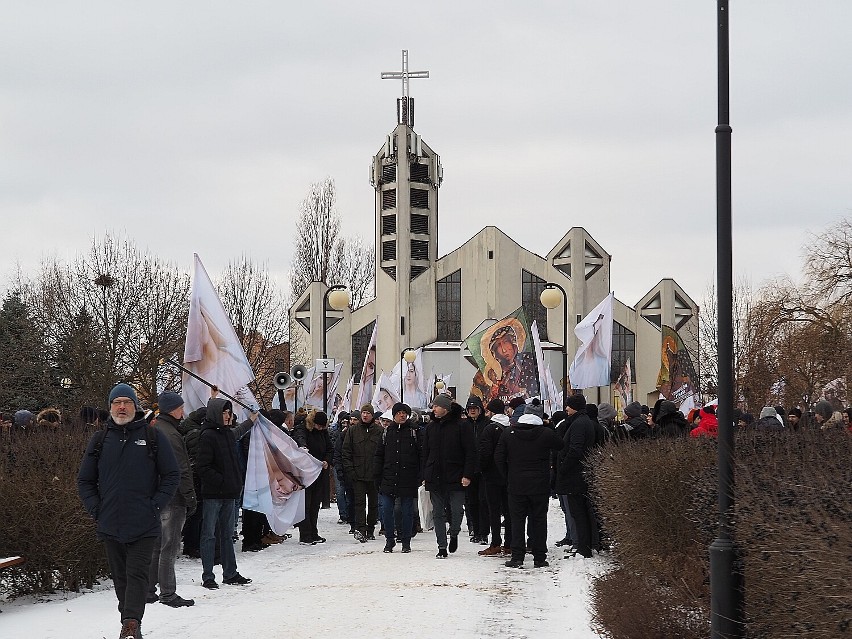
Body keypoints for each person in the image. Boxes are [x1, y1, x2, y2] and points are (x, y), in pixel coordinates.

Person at [78, 383, 179, 639]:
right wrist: (97, 509)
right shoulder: (100, 440)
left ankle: (131, 624)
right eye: (116, 402)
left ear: (136, 406)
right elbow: (85, 480)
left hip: (144, 522)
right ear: (110, 407)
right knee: (121, 578)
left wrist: (155, 504)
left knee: (137, 575)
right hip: (109, 522)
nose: (121, 407)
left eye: (127, 402)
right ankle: (130, 619)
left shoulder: (154, 437)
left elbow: (171, 474)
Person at [195, 397, 256, 589]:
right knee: (209, 535)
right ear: (216, 414)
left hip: (230, 494)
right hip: (214, 495)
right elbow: (203, 467)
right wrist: (222, 482)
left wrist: (251, 420)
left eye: (229, 413)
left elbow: (239, 431)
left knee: (227, 535)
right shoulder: (207, 436)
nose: (228, 416)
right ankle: (208, 576)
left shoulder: (227, 434)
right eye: (224, 413)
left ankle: (230, 573)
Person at [147, 392, 197, 608]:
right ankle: (168, 593)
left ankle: (149, 590)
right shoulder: (171, 434)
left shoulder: (156, 429)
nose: (183, 411)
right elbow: (180, 469)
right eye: (180, 407)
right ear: (171, 409)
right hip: (173, 497)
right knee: (169, 546)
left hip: (157, 495)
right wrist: (190, 496)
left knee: (157, 546)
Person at [495, 411, 564, 568]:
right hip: (539, 485)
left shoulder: (508, 433)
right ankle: (539, 557)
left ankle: (517, 557)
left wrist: (507, 476)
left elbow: (498, 457)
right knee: (539, 520)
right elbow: (560, 445)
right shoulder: (545, 433)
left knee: (517, 521)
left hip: (516, 484)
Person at [421, 394, 477, 559]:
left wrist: (467, 475)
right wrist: (425, 473)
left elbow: (471, 452)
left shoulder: (462, 426)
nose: (434, 409)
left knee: (457, 510)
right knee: (438, 512)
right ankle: (442, 546)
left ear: (445, 407)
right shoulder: (431, 427)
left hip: (456, 475)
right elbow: (425, 453)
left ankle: (454, 533)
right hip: (435, 476)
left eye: (436, 406)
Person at [374, 403, 422, 553]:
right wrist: (377, 475)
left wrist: (420, 476)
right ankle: (390, 539)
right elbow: (379, 455)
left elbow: (422, 455)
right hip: (388, 477)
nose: (402, 415)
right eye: (399, 413)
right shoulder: (387, 432)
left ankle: (406, 541)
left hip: (408, 478)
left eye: (404, 413)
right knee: (387, 510)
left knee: (407, 511)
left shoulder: (414, 432)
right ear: (394, 415)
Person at [556, 394, 596, 559]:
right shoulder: (583, 421)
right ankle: (582, 545)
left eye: (569, 405)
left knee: (578, 512)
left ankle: (582, 547)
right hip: (579, 474)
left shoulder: (579, 424)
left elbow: (576, 449)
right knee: (579, 512)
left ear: (575, 407)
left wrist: (563, 467)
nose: (566, 409)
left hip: (575, 476)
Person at [342, 403, 383, 542]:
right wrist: (350, 470)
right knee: (359, 503)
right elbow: (346, 452)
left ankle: (370, 528)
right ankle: (361, 529)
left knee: (373, 504)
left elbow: (383, 453)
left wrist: (380, 471)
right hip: (357, 474)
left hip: (373, 475)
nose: (365, 415)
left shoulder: (379, 431)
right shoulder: (352, 431)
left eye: (368, 413)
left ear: (372, 415)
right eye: (363, 412)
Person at [478, 398, 512, 557]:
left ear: (491, 412)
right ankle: (510, 543)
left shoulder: (489, 429)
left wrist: (482, 469)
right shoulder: (511, 426)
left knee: (494, 510)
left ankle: (496, 543)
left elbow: (485, 453)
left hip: (492, 475)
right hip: (510, 475)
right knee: (509, 510)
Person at [293, 410, 332, 544]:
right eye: (319, 426)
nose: (320, 428)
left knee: (315, 504)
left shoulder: (323, 432)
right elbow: (299, 438)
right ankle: (305, 534)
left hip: (319, 472)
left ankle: (313, 532)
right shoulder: (303, 429)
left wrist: (327, 460)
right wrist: (303, 447)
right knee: (306, 504)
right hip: (305, 473)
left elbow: (329, 448)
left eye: (322, 426)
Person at [484, 324, 539, 403]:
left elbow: (530, 388)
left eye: (505, 342)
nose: (504, 350)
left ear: (512, 341)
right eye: (498, 346)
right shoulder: (501, 370)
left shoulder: (526, 360)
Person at [464, 396, 489, 545]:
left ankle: (484, 532)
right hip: (468, 470)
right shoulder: (463, 425)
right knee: (471, 502)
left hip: (484, 470)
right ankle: (475, 530)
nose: (472, 411)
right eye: (470, 409)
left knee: (483, 501)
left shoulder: (487, 425)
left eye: (475, 408)